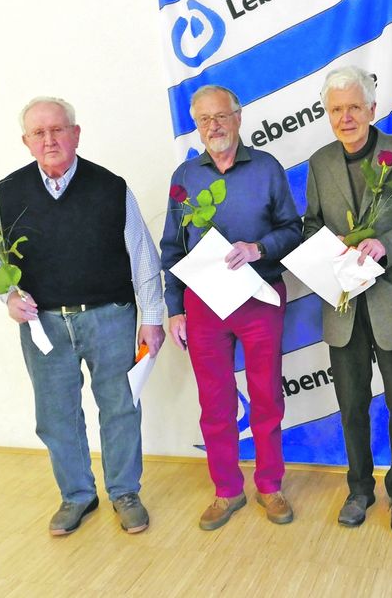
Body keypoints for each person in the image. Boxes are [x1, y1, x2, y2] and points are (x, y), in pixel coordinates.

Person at [0, 96, 165, 536]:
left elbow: (142, 255)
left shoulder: (111, 187)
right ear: (26, 141)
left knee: (120, 408)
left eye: (58, 129)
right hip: (43, 325)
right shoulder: (5, 193)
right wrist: (7, 296)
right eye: (39, 133)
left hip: (110, 317)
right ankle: (77, 495)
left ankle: (125, 492)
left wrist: (152, 317)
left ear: (76, 134)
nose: (49, 140)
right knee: (56, 415)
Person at [304, 66, 392, 534]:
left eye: (353, 108)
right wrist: (327, 244)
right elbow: (310, 224)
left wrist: (386, 244)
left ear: (372, 108)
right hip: (344, 305)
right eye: (336, 110)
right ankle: (359, 489)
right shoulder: (320, 162)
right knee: (351, 405)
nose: (345, 118)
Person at [160, 85, 303, 531]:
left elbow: (293, 229)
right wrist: (175, 307)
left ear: (238, 118)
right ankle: (226, 489)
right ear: (196, 126)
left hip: (259, 298)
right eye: (204, 119)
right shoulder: (185, 176)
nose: (213, 126)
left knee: (266, 395)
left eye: (221, 116)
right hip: (203, 306)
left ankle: (270, 484)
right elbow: (172, 247)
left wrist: (259, 248)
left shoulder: (267, 168)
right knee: (215, 401)